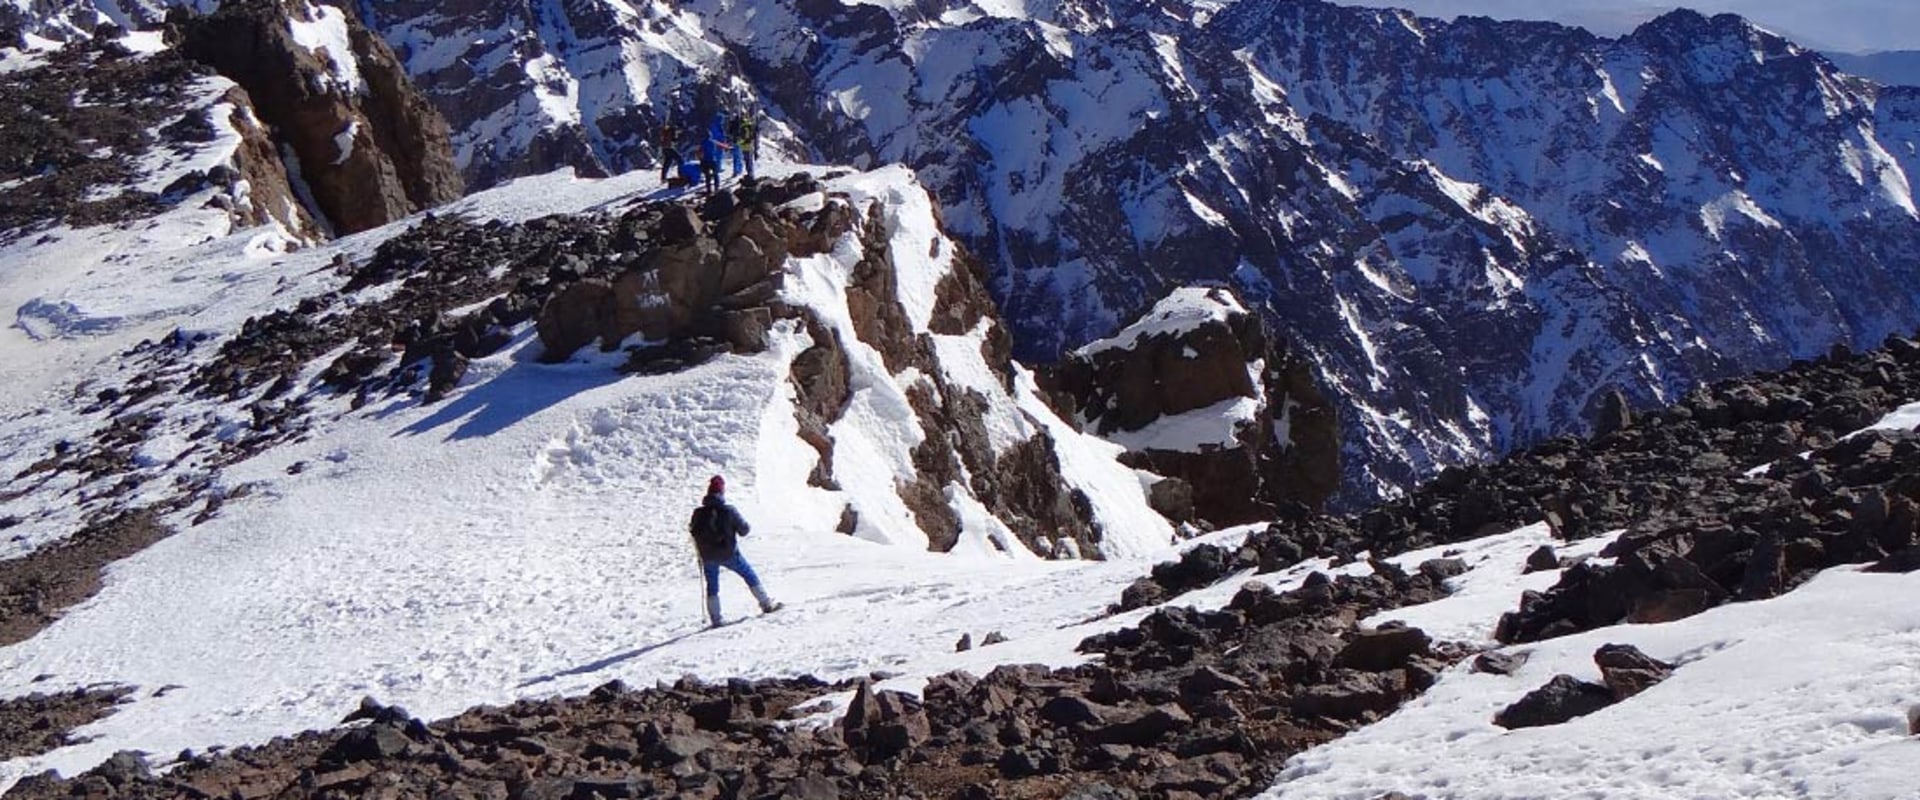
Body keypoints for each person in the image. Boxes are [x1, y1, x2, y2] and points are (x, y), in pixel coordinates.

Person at [690, 475, 780, 628]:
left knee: (712, 586)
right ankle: (766, 604)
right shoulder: (729, 510)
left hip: (708, 556)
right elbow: (744, 530)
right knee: (748, 574)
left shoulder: (698, 513)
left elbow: (693, 531)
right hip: (729, 553)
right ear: (722, 493)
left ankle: (716, 620)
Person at [729, 110, 757, 179]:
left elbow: (745, 138)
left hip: (746, 146)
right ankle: (749, 174)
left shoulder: (745, 128)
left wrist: (737, 142)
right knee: (747, 161)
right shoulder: (747, 126)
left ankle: (750, 175)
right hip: (747, 146)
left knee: (748, 161)